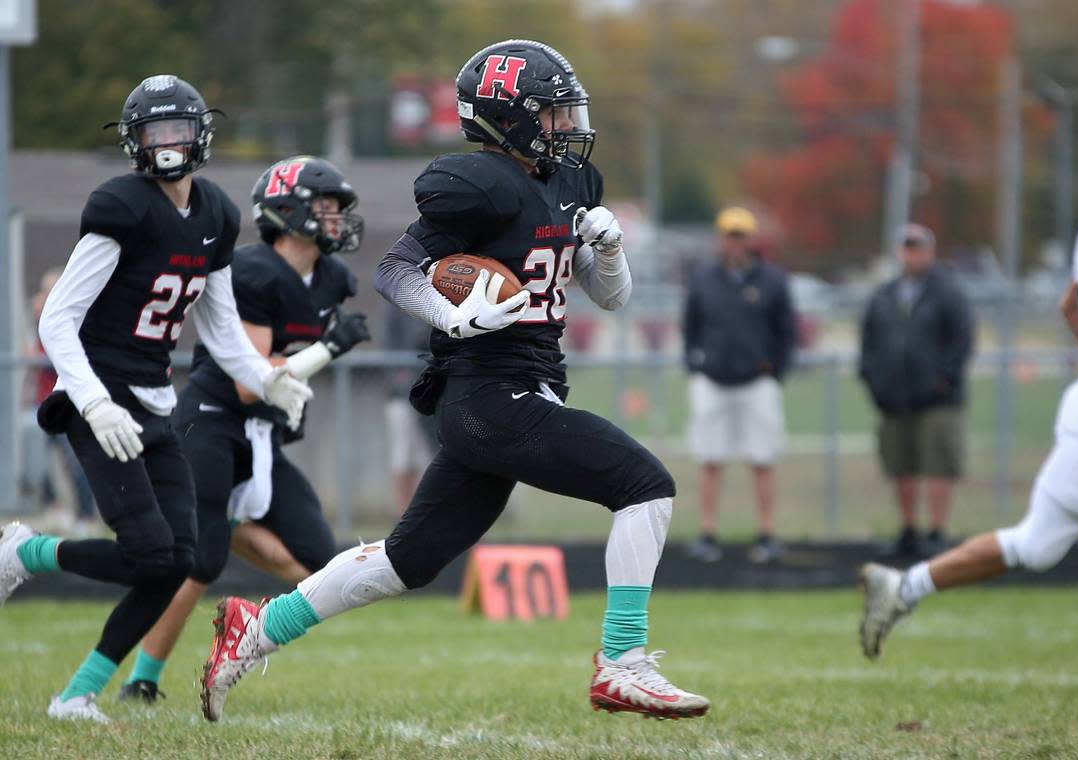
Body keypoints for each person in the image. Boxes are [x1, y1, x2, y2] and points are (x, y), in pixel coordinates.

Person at [200, 39, 709, 722]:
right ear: (512, 117)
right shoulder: (480, 182)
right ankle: (622, 661)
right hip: (489, 392)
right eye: (552, 113)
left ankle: (253, 630)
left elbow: (608, 297)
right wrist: (455, 317)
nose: (567, 125)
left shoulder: (572, 183)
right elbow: (396, 270)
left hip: (517, 391)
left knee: (404, 563)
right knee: (644, 485)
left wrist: (610, 249)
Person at [0, 75, 312, 723]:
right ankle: (25, 553)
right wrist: (90, 401)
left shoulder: (218, 213)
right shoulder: (124, 205)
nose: (167, 144)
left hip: (153, 401)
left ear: (201, 134)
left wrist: (269, 376)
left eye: (177, 130)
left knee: (182, 560)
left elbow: (221, 330)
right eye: (153, 132)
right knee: (148, 553)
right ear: (134, 143)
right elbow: (57, 319)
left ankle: (77, 695)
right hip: (100, 399)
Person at [859, 125, 1078, 659]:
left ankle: (902, 588)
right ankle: (903, 587)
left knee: (1037, 544)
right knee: (1037, 545)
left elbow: (1068, 307)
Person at [117, 156, 370, 703]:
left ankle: (224, 526)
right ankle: (141, 680)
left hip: (262, 435)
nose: (334, 218)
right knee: (201, 561)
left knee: (317, 561)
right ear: (286, 210)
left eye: (336, 209)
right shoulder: (253, 271)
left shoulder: (333, 278)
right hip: (212, 422)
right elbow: (249, 384)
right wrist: (327, 350)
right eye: (323, 206)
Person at [682, 206, 796, 563]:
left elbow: (786, 332)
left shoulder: (772, 280)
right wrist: (696, 364)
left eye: (741, 235)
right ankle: (708, 532)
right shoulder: (704, 278)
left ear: (751, 239)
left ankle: (766, 532)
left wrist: (775, 369)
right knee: (709, 459)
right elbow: (690, 327)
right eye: (730, 235)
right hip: (712, 379)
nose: (735, 242)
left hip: (756, 381)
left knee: (762, 457)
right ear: (721, 238)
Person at [858, 223, 973, 558]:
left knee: (938, 463)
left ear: (930, 251)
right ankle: (909, 530)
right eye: (907, 247)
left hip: (938, 399)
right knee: (901, 465)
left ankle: (937, 531)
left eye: (918, 247)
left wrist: (943, 379)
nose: (912, 254)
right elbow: (869, 343)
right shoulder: (884, 295)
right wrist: (874, 381)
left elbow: (962, 340)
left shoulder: (948, 292)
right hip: (895, 397)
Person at [21, 268, 97, 533]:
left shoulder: (69, 317)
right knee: (34, 460)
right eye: (44, 290)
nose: (44, 297)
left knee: (75, 460)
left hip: (65, 401)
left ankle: (85, 515)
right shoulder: (37, 322)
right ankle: (53, 505)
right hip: (40, 402)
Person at [382, 302, 435, 518]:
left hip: (433, 395)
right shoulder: (396, 303)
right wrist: (401, 373)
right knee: (403, 456)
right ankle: (404, 514)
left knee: (430, 458)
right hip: (403, 395)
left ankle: (428, 513)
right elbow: (389, 343)